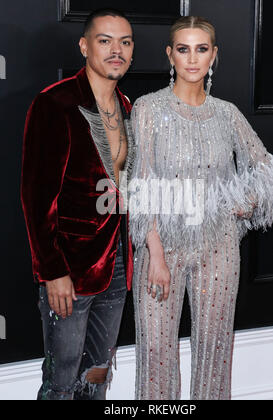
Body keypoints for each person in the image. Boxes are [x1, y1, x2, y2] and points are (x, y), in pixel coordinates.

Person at [129, 16, 273, 400]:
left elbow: (269, 173)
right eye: (183, 49)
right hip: (160, 248)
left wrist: (238, 203)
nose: (192, 59)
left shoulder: (227, 114)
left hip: (218, 249)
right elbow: (140, 184)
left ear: (213, 56)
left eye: (201, 49)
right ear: (170, 55)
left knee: (215, 349)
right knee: (155, 353)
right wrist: (154, 254)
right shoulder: (147, 109)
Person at [21, 8, 135, 400]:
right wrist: (52, 271)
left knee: (97, 377)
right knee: (62, 382)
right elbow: (36, 196)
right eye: (105, 41)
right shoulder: (56, 104)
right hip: (69, 266)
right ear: (85, 46)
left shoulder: (128, 107)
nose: (116, 50)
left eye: (125, 42)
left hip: (118, 263)